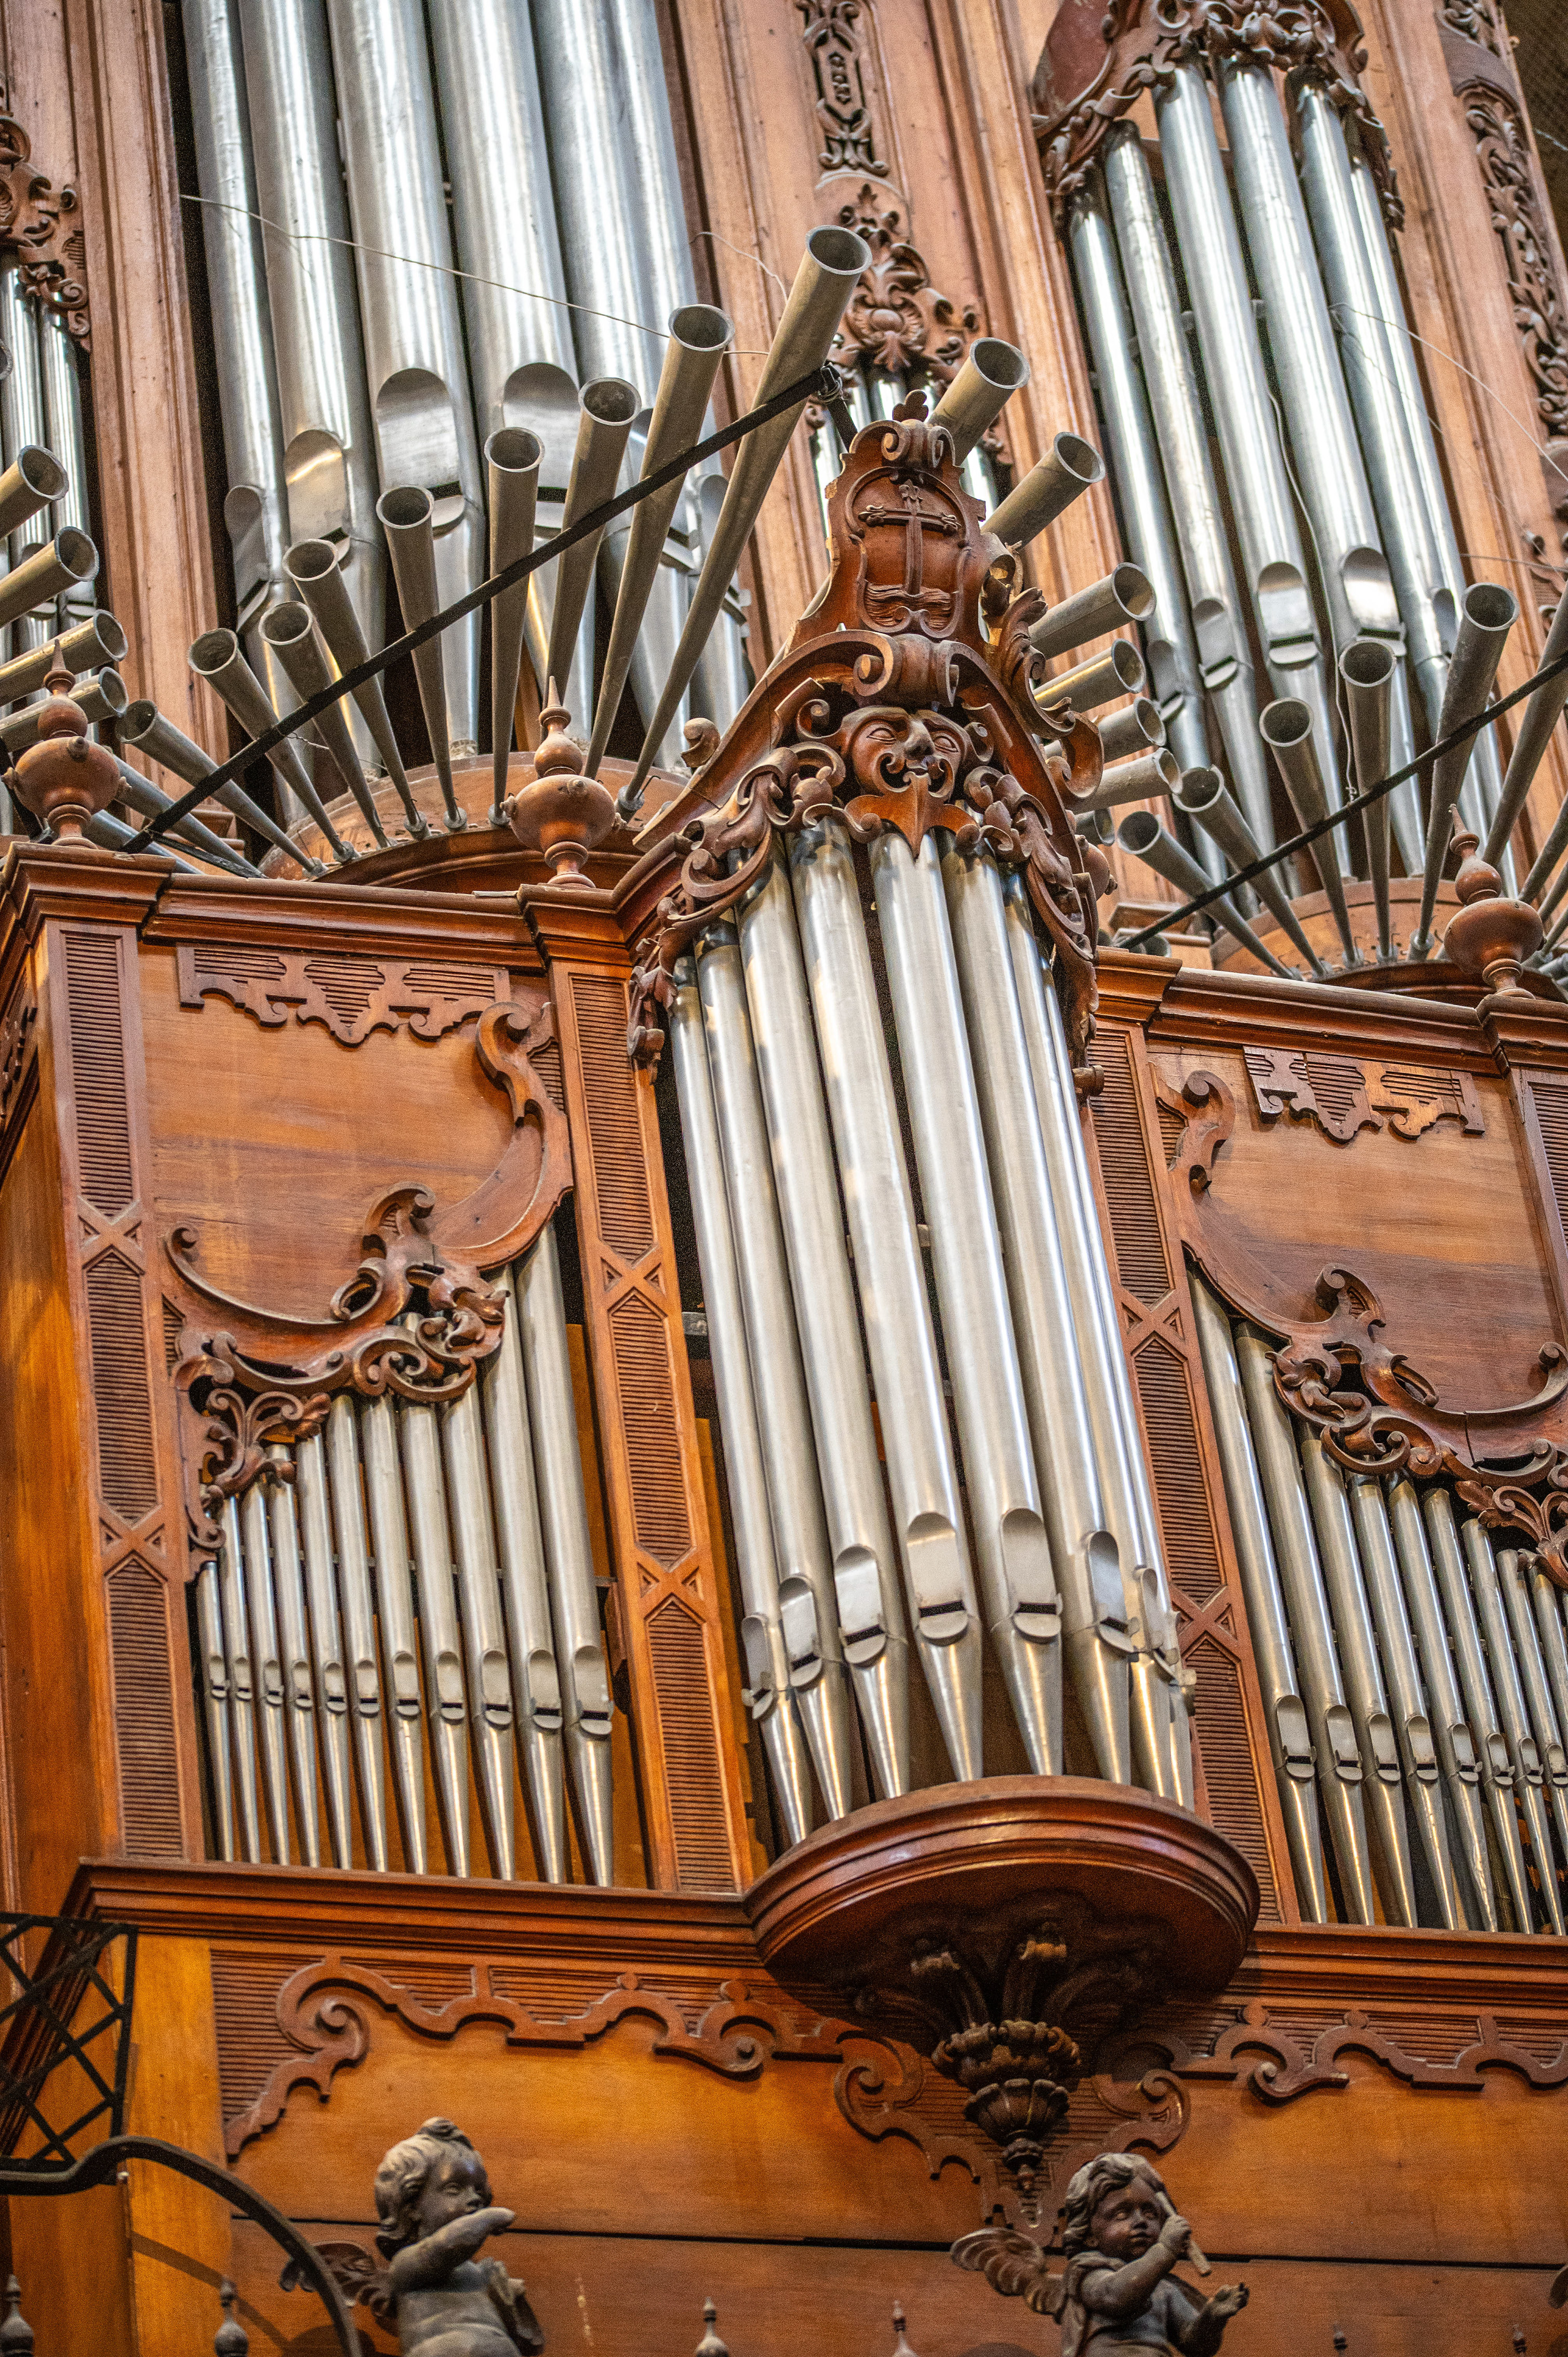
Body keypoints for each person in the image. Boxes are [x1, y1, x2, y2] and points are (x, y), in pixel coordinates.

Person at [372, 2116, 546, 2357]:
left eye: (478, 2190)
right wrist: (489, 2218)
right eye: (454, 2189)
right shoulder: (407, 2265)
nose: (475, 2198)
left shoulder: (475, 2273)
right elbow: (448, 2245)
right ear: (410, 2207)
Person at [1057, 2154, 1248, 2357]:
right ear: (1088, 2235)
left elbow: (1197, 2346)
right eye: (1122, 2214)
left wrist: (1212, 2318)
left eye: (1150, 2214)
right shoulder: (1087, 2272)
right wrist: (1165, 2249)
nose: (1141, 2221)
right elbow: (1115, 2297)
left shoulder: (1163, 2287)